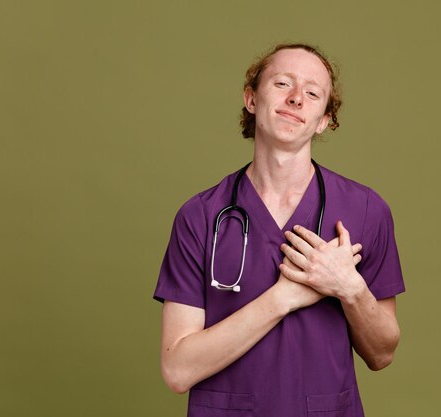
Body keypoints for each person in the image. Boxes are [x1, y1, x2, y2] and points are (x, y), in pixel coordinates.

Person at [153, 43, 405, 417]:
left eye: (313, 92)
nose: (296, 98)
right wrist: (283, 297)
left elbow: (382, 354)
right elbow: (177, 369)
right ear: (251, 99)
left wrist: (349, 287)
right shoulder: (200, 216)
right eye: (282, 83)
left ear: (324, 119)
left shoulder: (366, 210)